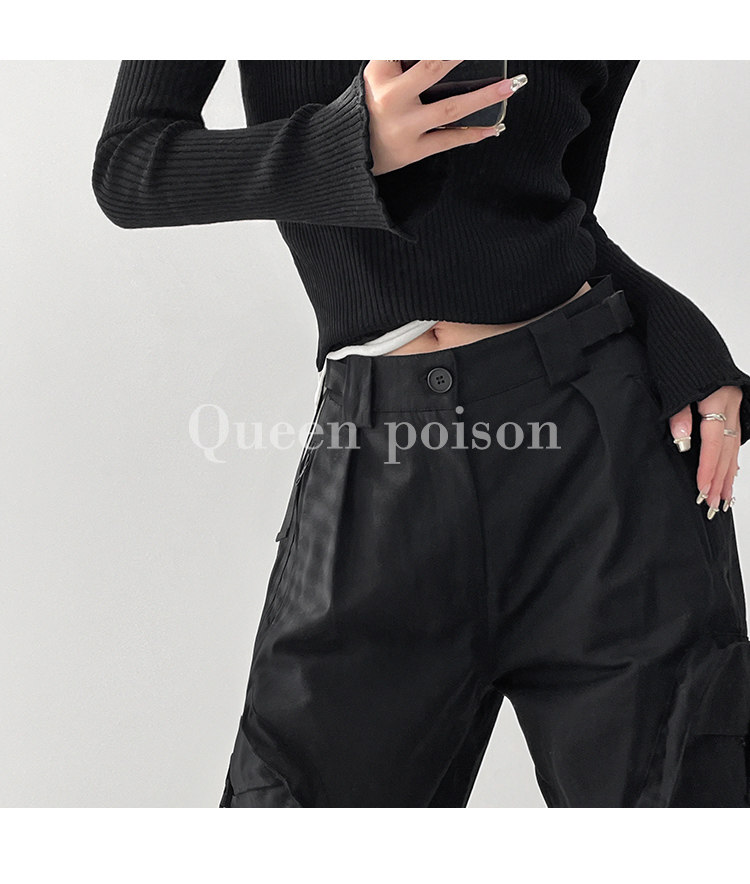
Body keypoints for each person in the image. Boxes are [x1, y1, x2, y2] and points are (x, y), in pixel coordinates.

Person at [92, 60, 750, 807]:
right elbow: (129, 168)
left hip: (600, 455)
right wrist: (348, 144)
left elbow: (563, 213)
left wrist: (683, 337)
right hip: (380, 465)